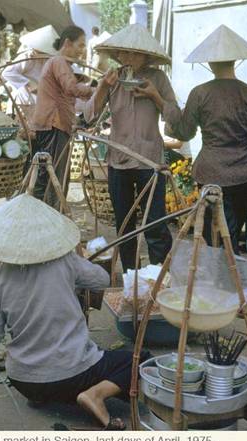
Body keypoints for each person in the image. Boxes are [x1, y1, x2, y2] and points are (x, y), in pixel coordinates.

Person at [0, 194, 147, 430]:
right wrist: (74, 270)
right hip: (73, 375)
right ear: (46, 236)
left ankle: (43, 396)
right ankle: (94, 394)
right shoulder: (64, 260)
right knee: (141, 361)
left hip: (23, 380)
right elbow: (102, 280)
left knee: (51, 376)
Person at [85, 24, 182, 270]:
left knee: (155, 224)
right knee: (124, 224)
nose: (128, 58)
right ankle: (131, 275)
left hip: (150, 161)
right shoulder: (112, 78)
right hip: (119, 160)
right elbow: (88, 115)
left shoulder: (158, 78)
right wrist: (104, 88)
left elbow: (175, 117)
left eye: (134, 53)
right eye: (124, 53)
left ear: (146, 56)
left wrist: (154, 96)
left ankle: (159, 277)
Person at [169, 25, 247, 253]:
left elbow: (186, 133)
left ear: (210, 63)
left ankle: (219, 274)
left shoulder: (200, 93)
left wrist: (171, 122)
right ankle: (230, 274)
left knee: (213, 229)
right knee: (233, 229)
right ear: (235, 61)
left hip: (210, 172)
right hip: (245, 174)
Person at [31, 25, 94, 209]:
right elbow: (71, 88)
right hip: (54, 124)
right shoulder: (58, 62)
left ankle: (44, 217)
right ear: (67, 43)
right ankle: (52, 218)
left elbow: (67, 92)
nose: (82, 50)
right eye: (80, 45)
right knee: (56, 177)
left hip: (53, 124)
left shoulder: (58, 63)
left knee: (47, 176)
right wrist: (96, 90)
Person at [2, 25, 58, 118]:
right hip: (23, 102)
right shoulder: (27, 57)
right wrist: (28, 83)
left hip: (38, 103)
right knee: (24, 130)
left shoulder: (48, 59)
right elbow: (7, 73)